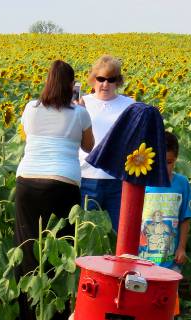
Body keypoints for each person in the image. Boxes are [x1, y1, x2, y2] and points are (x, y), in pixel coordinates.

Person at [14, 60, 95, 320]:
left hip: (28, 180)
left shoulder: (30, 108)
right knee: (59, 251)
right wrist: (78, 106)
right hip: (63, 183)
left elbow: (29, 136)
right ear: (71, 84)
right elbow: (88, 147)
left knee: (27, 247)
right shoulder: (80, 113)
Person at [138, 131, 191, 320]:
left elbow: (185, 218)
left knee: (169, 300)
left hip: (170, 256)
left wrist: (182, 248)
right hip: (144, 254)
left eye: (169, 162)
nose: (165, 168)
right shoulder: (142, 183)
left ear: (176, 160)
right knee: (143, 298)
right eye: (161, 162)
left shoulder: (181, 184)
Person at [78, 55, 135, 231]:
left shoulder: (129, 104)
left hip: (117, 178)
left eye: (111, 80)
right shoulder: (83, 102)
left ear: (118, 82)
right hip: (87, 177)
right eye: (101, 79)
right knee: (88, 233)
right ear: (93, 79)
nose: (105, 84)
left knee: (120, 233)